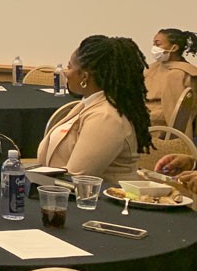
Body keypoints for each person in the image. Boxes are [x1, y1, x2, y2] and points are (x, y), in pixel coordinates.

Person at [36, 35, 151, 183]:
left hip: (95, 196)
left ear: (85, 76)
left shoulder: (106, 117)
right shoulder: (89, 104)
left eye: (69, 67)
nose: (66, 72)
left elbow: (77, 177)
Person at [144, 28, 197, 127]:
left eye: (158, 44)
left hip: (159, 121)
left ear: (174, 48)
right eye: (153, 44)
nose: (154, 48)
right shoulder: (151, 68)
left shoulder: (180, 74)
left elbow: (176, 114)